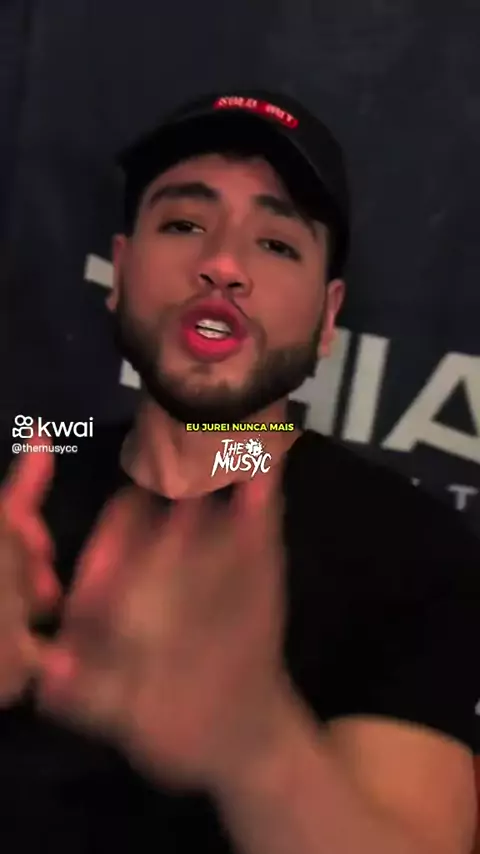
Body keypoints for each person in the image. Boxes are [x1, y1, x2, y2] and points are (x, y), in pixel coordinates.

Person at [0, 89, 479, 854]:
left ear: (328, 318)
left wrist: (257, 752)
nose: (222, 264)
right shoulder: (20, 493)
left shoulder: (415, 550)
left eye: (277, 244)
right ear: (119, 271)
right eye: (184, 225)